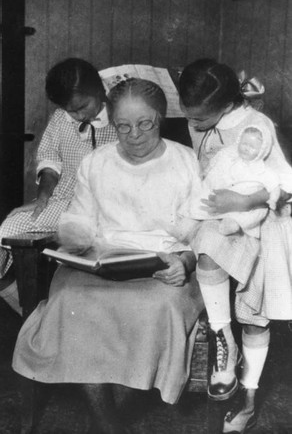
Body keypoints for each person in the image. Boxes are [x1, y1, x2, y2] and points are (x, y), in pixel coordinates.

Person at [12, 78, 204, 434]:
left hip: (164, 265)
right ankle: (108, 423)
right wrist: (72, 241)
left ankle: (109, 420)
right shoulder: (96, 162)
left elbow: (199, 229)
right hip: (99, 262)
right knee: (70, 299)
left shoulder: (185, 161)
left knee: (158, 307)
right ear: (111, 123)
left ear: (160, 118)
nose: (134, 134)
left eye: (145, 123)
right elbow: (80, 220)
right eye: (123, 125)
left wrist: (186, 262)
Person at [178, 59, 292, 434]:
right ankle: (221, 336)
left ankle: (248, 403)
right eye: (188, 116)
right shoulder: (201, 122)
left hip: (262, 224)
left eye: (201, 118)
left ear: (226, 105)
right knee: (207, 243)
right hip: (219, 224)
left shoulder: (256, 126)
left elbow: (284, 181)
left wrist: (241, 203)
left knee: (253, 317)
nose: (193, 124)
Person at [0, 58, 117, 314]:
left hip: (111, 206)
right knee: (8, 228)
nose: (78, 116)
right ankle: (33, 316)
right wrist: (43, 196)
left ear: (99, 90)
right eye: (70, 110)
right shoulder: (61, 119)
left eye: (82, 107)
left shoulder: (121, 116)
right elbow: (50, 160)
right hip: (67, 201)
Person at [174, 124, 281, 242]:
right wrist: (205, 172)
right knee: (202, 202)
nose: (246, 148)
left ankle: (231, 223)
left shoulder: (263, 170)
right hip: (222, 195)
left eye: (252, 147)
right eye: (244, 144)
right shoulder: (230, 156)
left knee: (251, 214)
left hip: (243, 201)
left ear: (262, 150)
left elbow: (274, 186)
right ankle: (188, 223)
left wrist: (273, 200)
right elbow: (214, 164)